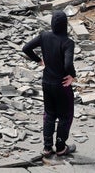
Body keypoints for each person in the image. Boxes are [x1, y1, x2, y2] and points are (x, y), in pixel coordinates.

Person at [22, 10, 76, 157]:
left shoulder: (44, 36)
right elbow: (68, 64)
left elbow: (26, 48)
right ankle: (60, 147)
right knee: (65, 115)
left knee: (49, 114)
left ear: (52, 23)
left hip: (46, 83)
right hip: (62, 85)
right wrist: (73, 76)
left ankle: (47, 147)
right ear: (65, 25)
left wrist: (39, 60)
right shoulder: (68, 42)